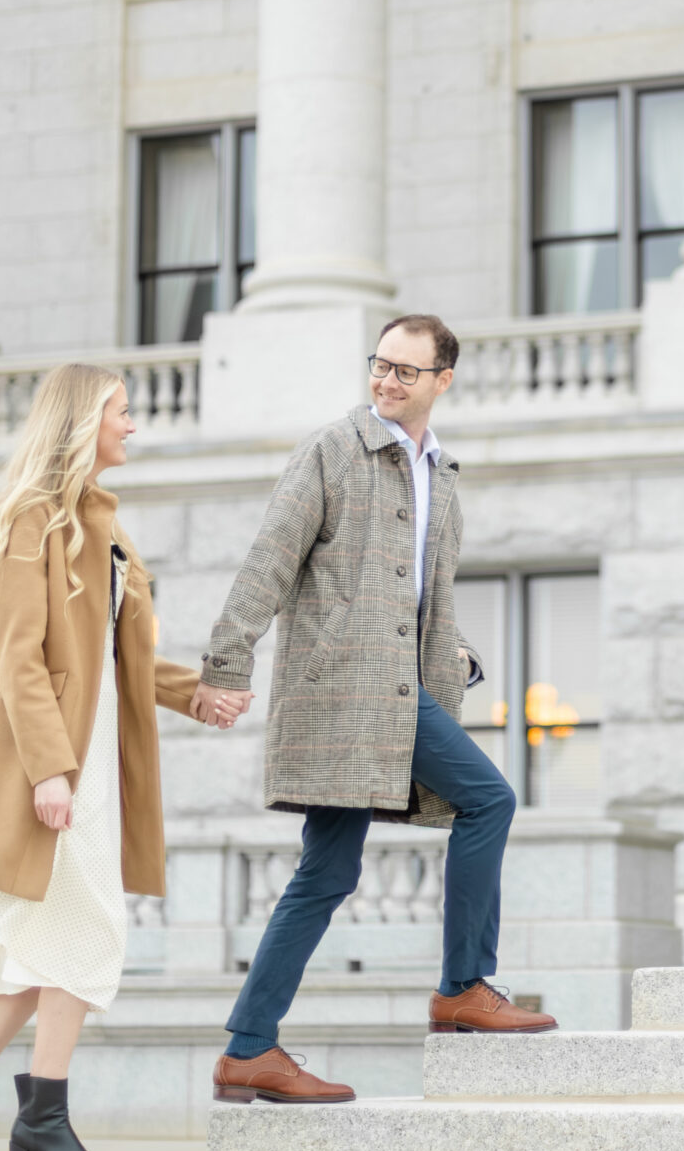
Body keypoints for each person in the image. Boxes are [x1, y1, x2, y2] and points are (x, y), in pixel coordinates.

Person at [0, 363, 241, 1151]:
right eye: (123, 411)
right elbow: (20, 658)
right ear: (83, 421)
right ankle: (35, 1116)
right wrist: (50, 768)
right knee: (84, 937)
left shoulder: (103, 528)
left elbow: (120, 662)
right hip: (60, 773)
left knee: (44, 949)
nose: (134, 425)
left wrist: (199, 694)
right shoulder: (34, 523)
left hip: (96, 770)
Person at [201, 313, 556, 1105]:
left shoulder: (441, 471)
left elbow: (425, 590)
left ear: (442, 381)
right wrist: (226, 661)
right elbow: (269, 561)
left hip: (407, 691)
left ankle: (249, 1047)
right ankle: (464, 985)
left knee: (326, 871)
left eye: (405, 370)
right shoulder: (331, 451)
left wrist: (454, 651)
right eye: (380, 364)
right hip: (345, 693)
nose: (386, 379)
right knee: (489, 798)